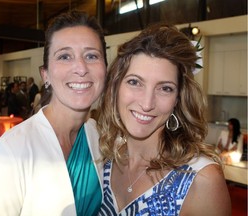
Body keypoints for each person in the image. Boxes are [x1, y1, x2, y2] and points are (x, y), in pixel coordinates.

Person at [0, 10, 107, 216]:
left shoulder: (96, 134)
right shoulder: (8, 153)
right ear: (46, 75)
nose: (81, 68)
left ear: (105, 69)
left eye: (91, 55)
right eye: (64, 56)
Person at [96, 24, 231, 215]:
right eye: (135, 82)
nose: (147, 103)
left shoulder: (201, 179)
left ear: (177, 98)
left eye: (165, 88)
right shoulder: (105, 159)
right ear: (116, 87)